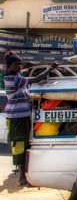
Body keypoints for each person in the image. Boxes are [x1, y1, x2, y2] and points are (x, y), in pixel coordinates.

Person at [3, 51, 59, 185]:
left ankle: (24, 173)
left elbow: (27, 72)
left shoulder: (16, 76)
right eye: (17, 64)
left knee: (25, 143)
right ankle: (22, 175)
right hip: (17, 117)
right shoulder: (13, 79)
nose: (19, 66)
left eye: (21, 64)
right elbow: (36, 79)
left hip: (23, 116)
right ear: (10, 66)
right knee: (19, 144)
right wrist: (50, 68)